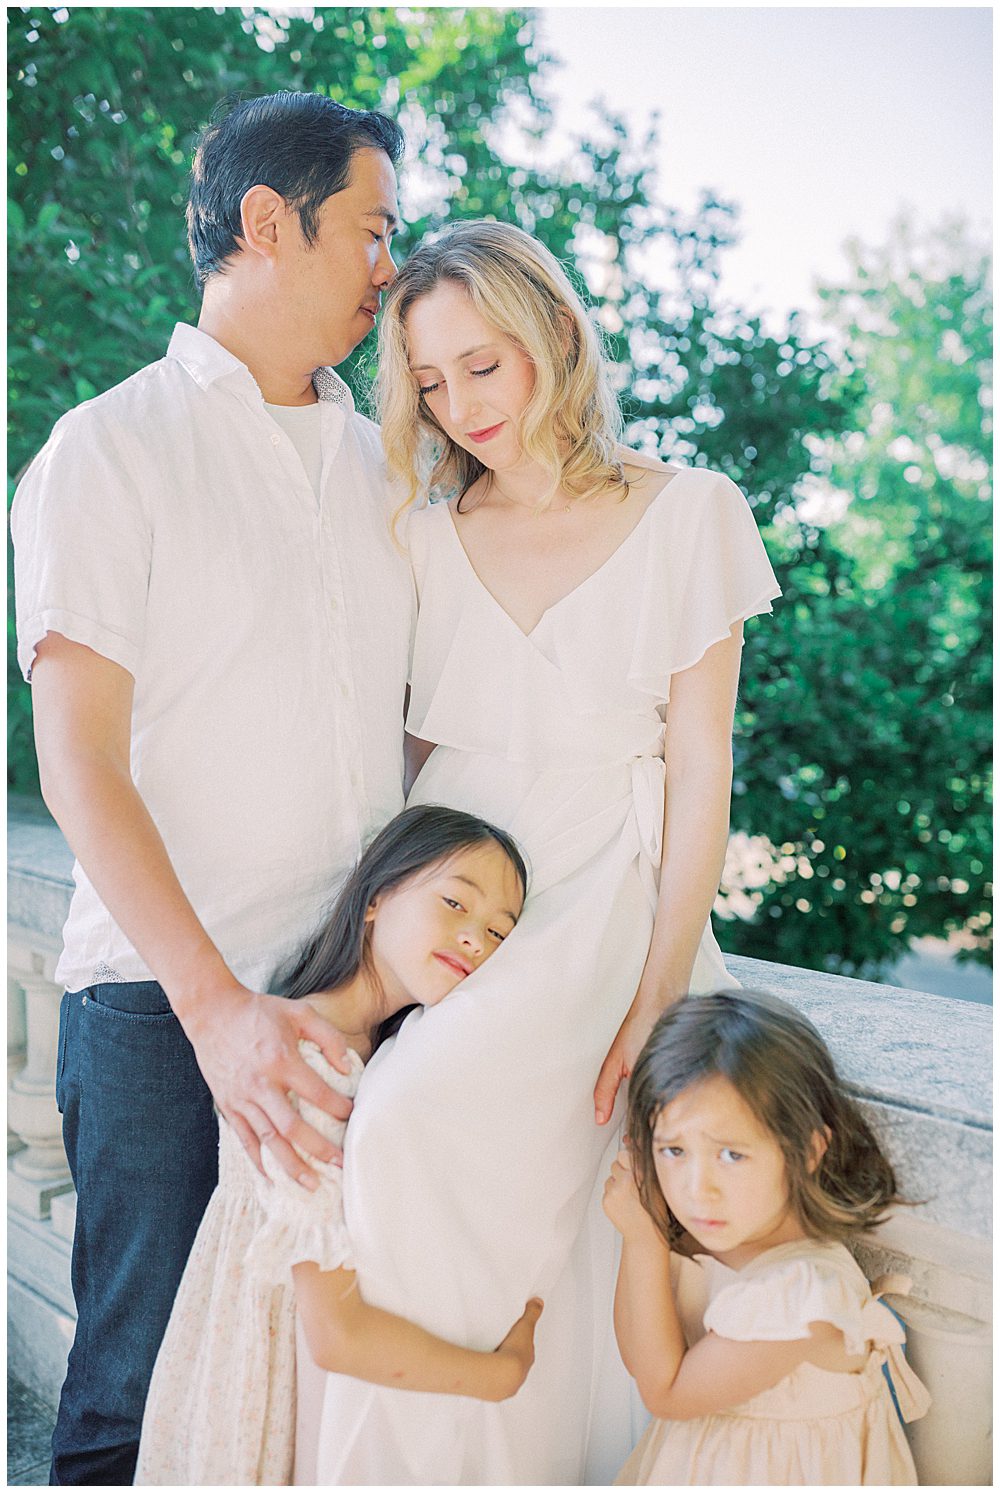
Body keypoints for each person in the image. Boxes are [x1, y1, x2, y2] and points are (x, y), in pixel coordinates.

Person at [299, 219, 783, 1484]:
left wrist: (658, 984)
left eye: (484, 364)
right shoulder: (424, 528)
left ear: (559, 336)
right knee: (403, 1141)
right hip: (457, 893)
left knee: (496, 1165)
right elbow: (404, 765)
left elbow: (701, 775)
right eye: (430, 380)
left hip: (601, 897)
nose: (460, 406)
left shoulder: (691, 514)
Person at [10, 92, 411, 1485]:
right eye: (372, 228)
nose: (390, 268)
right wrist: (217, 1012)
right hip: (164, 1013)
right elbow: (79, 760)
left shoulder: (389, 469)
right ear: (264, 221)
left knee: (306, 1416)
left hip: (361, 1015)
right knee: (134, 1400)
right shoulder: (105, 450)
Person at [135, 804, 541, 1486]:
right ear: (377, 895)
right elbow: (338, 1334)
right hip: (268, 1384)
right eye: (455, 903)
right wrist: (501, 1372)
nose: (475, 938)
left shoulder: (370, 1050)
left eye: (499, 932)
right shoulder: (311, 1063)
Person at [605, 989, 931, 1485]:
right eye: (673, 1150)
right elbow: (639, 1355)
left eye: (731, 1155)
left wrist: (642, 1239)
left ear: (806, 1149)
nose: (698, 1190)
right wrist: (646, 1233)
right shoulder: (713, 1241)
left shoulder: (800, 1293)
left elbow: (665, 1393)